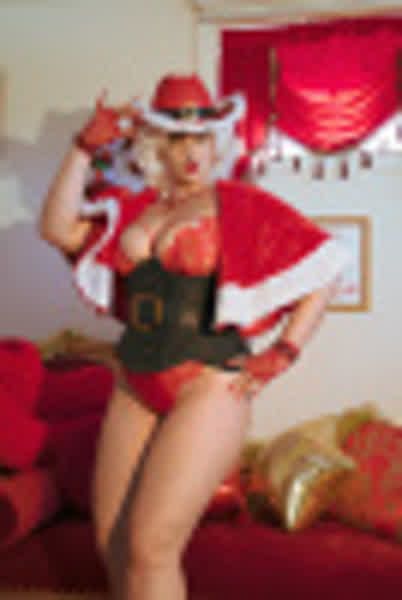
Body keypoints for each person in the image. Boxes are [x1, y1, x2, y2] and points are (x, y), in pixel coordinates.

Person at [39, 73, 348, 600]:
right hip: (135, 381)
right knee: (113, 542)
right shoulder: (133, 206)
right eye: (179, 139)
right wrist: (83, 148)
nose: (192, 152)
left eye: (202, 139)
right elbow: (57, 229)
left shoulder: (240, 204)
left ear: (216, 142)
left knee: (151, 549)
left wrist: (284, 350)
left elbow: (327, 267)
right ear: (159, 144)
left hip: (209, 383)